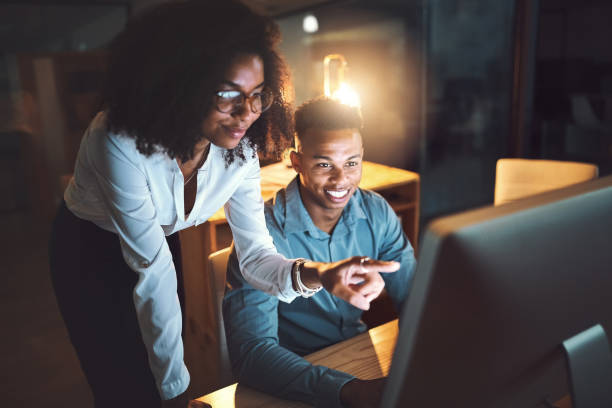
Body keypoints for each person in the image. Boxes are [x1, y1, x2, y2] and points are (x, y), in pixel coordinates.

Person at [47, 2, 399, 407]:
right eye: (227, 95)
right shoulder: (117, 140)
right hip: (90, 251)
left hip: (161, 242)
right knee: (120, 383)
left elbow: (255, 260)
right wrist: (178, 396)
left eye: (256, 96)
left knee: (155, 355)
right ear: (181, 85)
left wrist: (323, 275)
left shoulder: (241, 149)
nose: (246, 113)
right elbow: (152, 271)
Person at [223, 97, 417, 408]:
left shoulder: (377, 212)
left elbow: (415, 301)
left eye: (352, 163)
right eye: (324, 164)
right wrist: (350, 391)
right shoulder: (260, 235)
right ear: (296, 162)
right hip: (291, 382)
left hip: (358, 359)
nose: (341, 179)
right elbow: (252, 355)